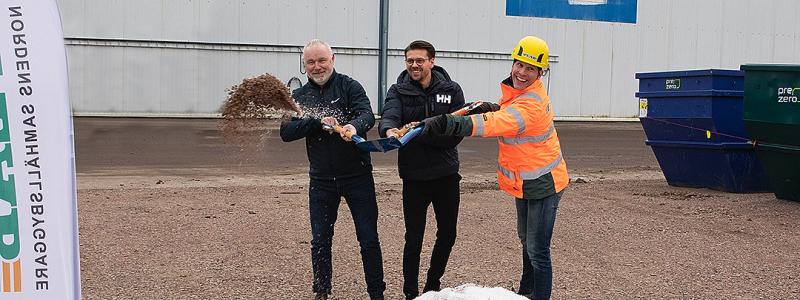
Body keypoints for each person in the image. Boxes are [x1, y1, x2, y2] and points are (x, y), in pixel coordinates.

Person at [416, 36, 569, 300]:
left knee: (538, 250)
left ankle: (540, 296)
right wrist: (493, 106)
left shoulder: (531, 103)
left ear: (540, 72)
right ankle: (526, 292)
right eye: (519, 65)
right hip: (528, 180)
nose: (521, 72)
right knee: (526, 242)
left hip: (545, 182)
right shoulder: (517, 93)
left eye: (530, 69)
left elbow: (496, 124)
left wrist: (450, 124)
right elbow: (504, 113)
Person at [280, 39, 385, 300]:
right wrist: (316, 122)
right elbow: (286, 132)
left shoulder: (350, 86)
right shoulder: (298, 97)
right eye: (311, 62)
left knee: (368, 238)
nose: (317, 66)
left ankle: (376, 293)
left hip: (357, 176)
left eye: (322, 60)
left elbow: (367, 115)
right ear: (304, 66)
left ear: (333, 59)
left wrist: (352, 126)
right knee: (320, 240)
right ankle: (322, 291)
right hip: (321, 180)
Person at [378, 40, 466, 300]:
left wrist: (419, 132)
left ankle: (432, 285)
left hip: (446, 175)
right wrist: (390, 130)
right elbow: (390, 115)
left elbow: (455, 132)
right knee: (413, 239)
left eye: (419, 60)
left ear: (432, 61)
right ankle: (410, 294)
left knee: (448, 234)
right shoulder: (398, 90)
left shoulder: (451, 90)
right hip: (414, 177)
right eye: (409, 61)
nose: (414, 65)